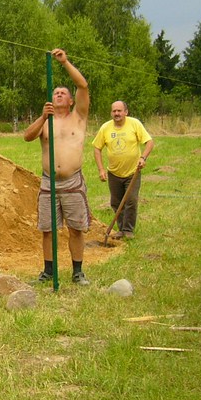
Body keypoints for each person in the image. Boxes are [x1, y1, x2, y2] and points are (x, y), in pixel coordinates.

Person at [23, 48, 91, 286]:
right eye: (56, 93)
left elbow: (83, 85)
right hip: (48, 182)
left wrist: (65, 63)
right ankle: (49, 272)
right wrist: (43, 117)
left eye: (63, 93)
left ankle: (78, 272)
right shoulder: (46, 121)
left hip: (72, 182)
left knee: (76, 229)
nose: (59, 94)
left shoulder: (78, 117)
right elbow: (27, 136)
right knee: (48, 229)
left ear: (71, 101)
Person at [92, 101, 154, 240]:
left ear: (126, 112)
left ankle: (128, 230)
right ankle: (121, 229)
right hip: (114, 173)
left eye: (119, 111)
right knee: (116, 202)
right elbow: (97, 148)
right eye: (114, 111)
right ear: (111, 113)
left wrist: (143, 158)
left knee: (131, 200)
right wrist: (101, 169)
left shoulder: (134, 124)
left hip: (133, 172)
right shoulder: (105, 128)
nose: (117, 113)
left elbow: (150, 142)